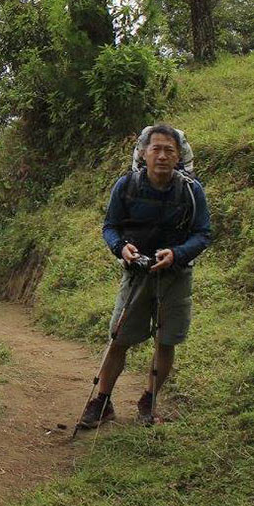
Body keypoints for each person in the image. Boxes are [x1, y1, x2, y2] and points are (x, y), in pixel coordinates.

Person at [79, 123, 211, 428]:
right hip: (136, 276)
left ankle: (148, 401)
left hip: (176, 276)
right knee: (118, 338)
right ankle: (101, 402)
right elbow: (109, 227)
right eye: (156, 149)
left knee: (166, 341)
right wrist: (121, 248)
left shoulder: (192, 191)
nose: (162, 156)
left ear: (179, 157)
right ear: (144, 153)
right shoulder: (126, 186)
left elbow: (203, 233)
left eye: (169, 150)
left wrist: (176, 254)